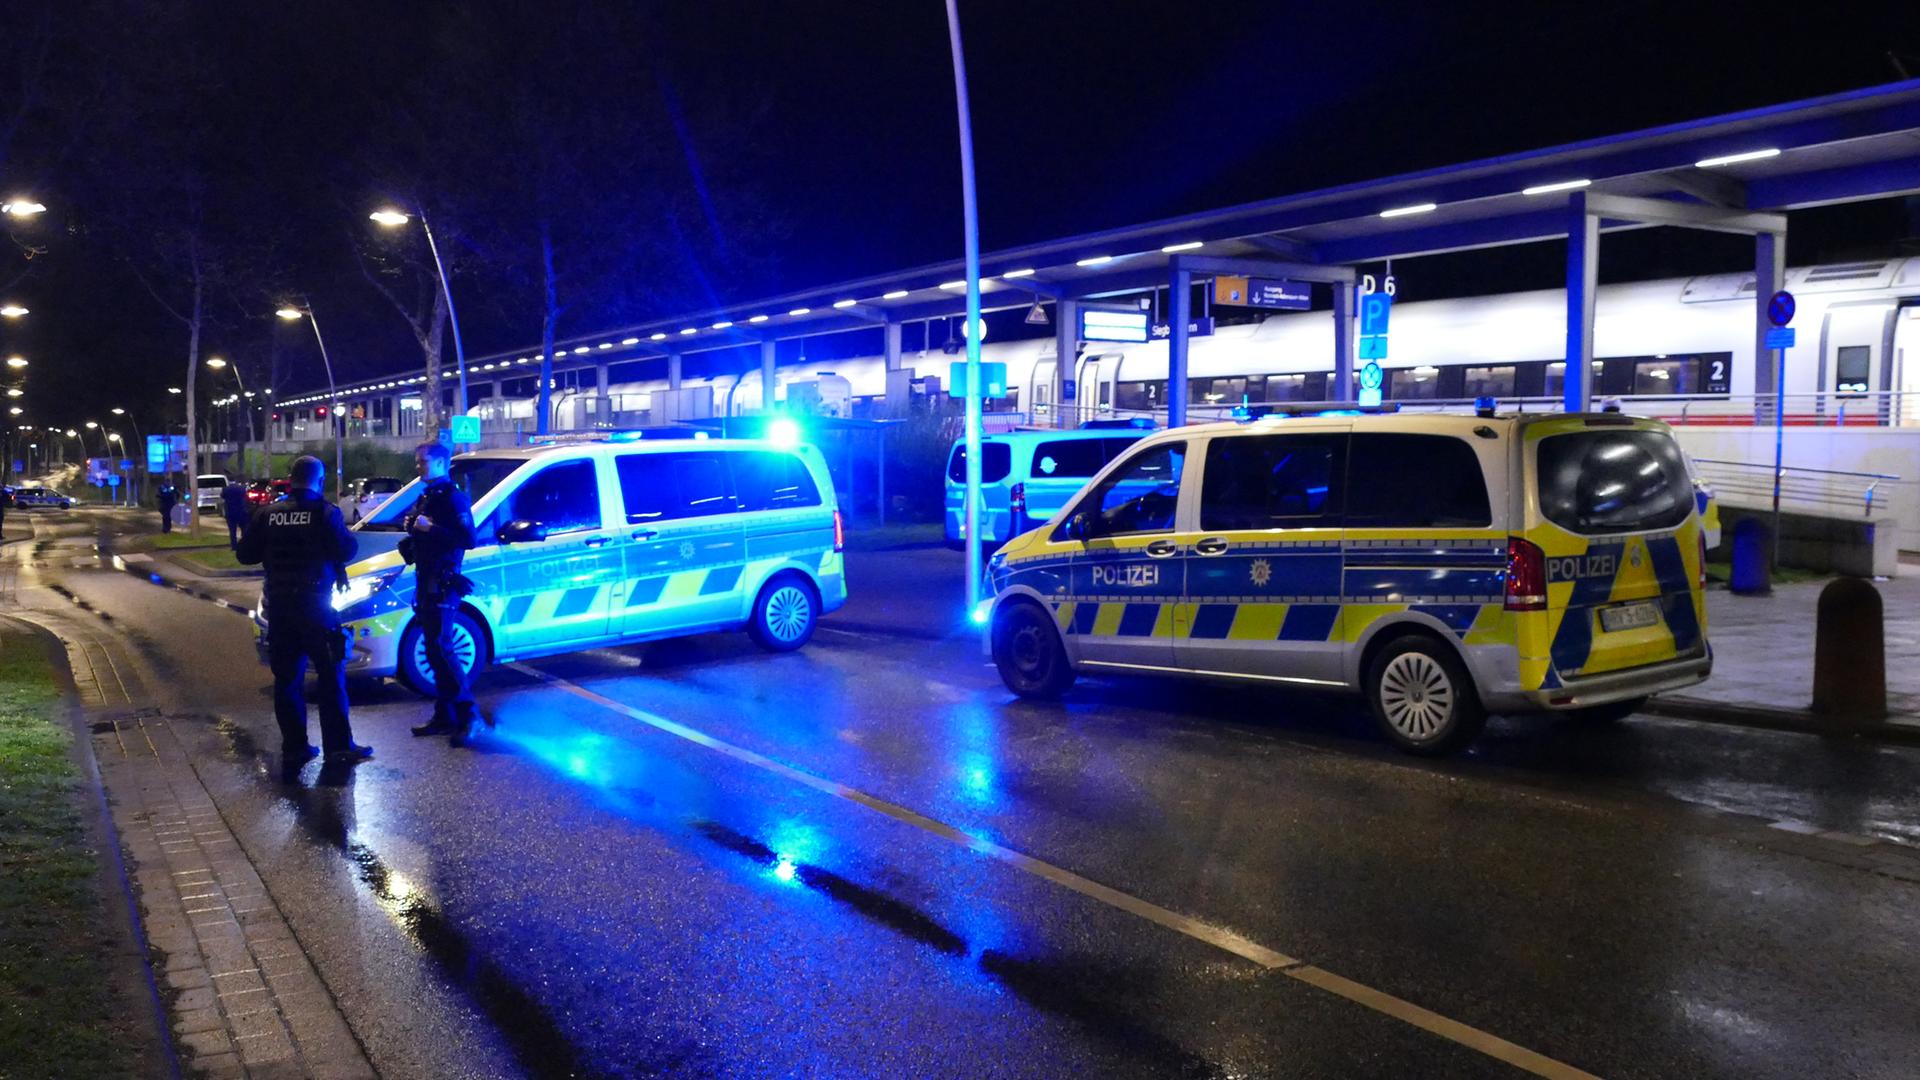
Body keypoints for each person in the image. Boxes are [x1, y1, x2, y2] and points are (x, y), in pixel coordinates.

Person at [235, 456, 372, 776]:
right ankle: (338, 748)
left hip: (280, 609)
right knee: (331, 678)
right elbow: (347, 550)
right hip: (316, 608)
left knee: (287, 681)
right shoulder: (325, 513)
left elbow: (245, 555)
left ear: (291, 479)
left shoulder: (268, 515)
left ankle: (295, 747)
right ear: (320, 480)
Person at [400, 441, 483, 744]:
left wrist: (429, 529)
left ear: (439, 463)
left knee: (442, 648)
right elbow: (424, 537)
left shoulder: (453, 498)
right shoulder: (429, 495)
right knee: (434, 651)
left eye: (422, 461)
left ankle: (470, 715)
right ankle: (444, 715)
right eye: (417, 461)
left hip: (445, 583)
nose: (417, 466)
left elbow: (468, 539)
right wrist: (413, 531)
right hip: (426, 581)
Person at [221, 478, 251, 550]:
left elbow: (222, 496)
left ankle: (234, 546)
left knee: (232, 531)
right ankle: (244, 544)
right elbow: (245, 497)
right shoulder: (242, 488)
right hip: (241, 511)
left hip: (230, 512)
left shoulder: (226, 489)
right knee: (244, 529)